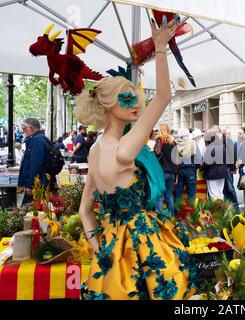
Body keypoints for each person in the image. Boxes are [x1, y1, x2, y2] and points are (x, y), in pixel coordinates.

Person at [76, 19, 192, 300]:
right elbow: (164, 96)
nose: (136, 104)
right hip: (144, 242)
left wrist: (99, 250)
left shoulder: (94, 151)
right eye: (126, 99)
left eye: (135, 97)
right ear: (108, 106)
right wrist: (161, 48)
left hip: (111, 247)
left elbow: (85, 212)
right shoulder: (125, 149)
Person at [18, 118, 52, 205]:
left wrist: (30, 185)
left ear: (31, 128)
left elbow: (36, 165)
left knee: (30, 211)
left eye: (24, 128)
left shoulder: (37, 140)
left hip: (37, 184)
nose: (23, 131)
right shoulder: (38, 139)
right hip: (38, 183)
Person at [173, 128, 202, 203]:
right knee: (191, 195)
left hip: (180, 170)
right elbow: (199, 158)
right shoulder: (192, 143)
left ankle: (177, 213)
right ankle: (191, 213)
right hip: (191, 170)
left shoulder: (176, 144)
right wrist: (196, 167)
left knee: (178, 194)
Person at [154, 123, 177, 216]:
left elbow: (157, 153)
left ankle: (160, 219)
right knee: (169, 196)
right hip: (172, 172)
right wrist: (176, 174)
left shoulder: (160, 140)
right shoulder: (174, 142)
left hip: (162, 171)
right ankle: (172, 217)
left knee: (159, 196)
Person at [202, 127, 229, 201]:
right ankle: (222, 210)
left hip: (212, 174)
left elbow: (207, 162)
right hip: (222, 173)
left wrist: (201, 167)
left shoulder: (210, 147)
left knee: (213, 194)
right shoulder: (222, 146)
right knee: (220, 193)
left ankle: (217, 211)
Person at [222, 127, 239, 210]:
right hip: (226, 168)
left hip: (227, 168)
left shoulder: (229, 142)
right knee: (227, 188)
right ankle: (230, 206)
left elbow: (233, 157)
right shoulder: (226, 142)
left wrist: (233, 168)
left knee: (229, 187)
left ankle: (234, 205)